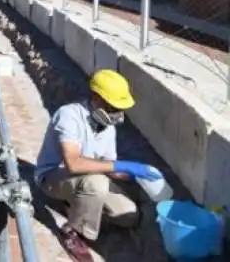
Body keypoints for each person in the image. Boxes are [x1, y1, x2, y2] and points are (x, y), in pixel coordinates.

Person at [34, 69, 162, 262]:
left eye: (120, 108)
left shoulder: (107, 127)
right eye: (113, 107)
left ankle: (78, 203)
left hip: (86, 179)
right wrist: (121, 165)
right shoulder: (69, 116)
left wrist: (135, 174)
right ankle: (73, 232)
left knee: (128, 215)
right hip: (52, 177)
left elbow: (108, 166)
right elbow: (73, 164)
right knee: (95, 184)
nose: (118, 113)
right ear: (97, 98)